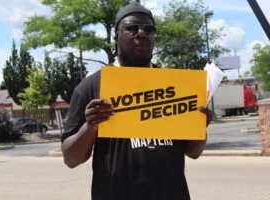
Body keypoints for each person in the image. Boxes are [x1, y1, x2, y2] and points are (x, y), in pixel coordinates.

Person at [61, 2, 211, 200]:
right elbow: (71, 158)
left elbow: (193, 152)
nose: (141, 33)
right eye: (132, 28)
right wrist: (90, 127)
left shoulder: (175, 86)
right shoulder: (91, 86)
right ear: (116, 36)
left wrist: (199, 126)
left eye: (148, 29)